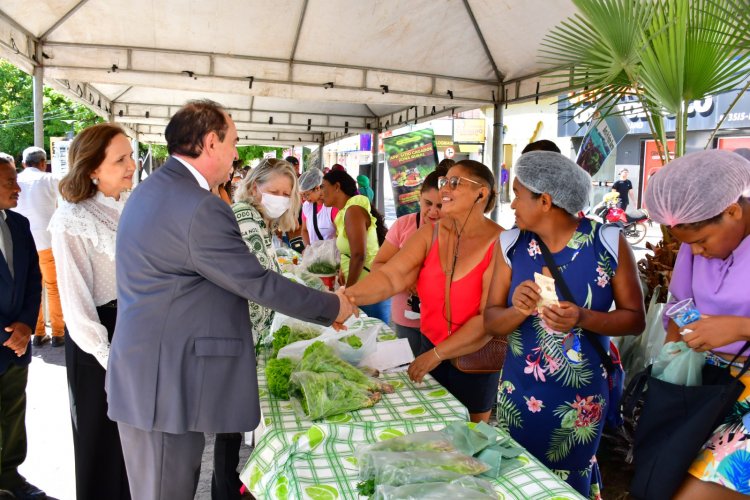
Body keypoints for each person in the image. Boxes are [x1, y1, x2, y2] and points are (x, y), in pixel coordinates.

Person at [106, 100, 355, 500]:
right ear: (209, 142)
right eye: (234, 142)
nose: (237, 154)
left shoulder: (158, 189)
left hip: (154, 374)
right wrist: (333, 306)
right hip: (162, 383)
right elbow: (255, 281)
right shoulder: (198, 206)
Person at [483, 151, 645, 497]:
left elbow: (635, 320)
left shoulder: (607, 242)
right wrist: (518, 310)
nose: (512, 205)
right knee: (518, 474)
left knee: (569, 478)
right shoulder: (510, 245)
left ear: (545, 200)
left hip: (581, 398)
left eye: (518, 195)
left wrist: (582, 317)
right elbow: (492, 321)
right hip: (519, 392)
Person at [345, 160, 503, 423]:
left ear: (481, 193)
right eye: (444, 183)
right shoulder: (428, 234)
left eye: (455, 183)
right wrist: (346, 298)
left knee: (470, 440)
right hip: (431, 350)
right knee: (432, 430)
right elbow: (390, 276)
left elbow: (487, 320)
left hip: (473, 360)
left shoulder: (500, 242)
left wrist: (437, 355)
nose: (444, 190)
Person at [644, 150, 750, 499]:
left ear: (733, 211)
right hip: (709, 386)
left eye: (703, 241)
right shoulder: (694, 247)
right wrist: (673, 358)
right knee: (667, 475)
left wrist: (739, 328)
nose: (698, 253)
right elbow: (681, 305)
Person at [48, 123, 134, 500]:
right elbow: (76, 305)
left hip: (134, 332)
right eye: (121, 159)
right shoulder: (72, 219)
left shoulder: (130, 206)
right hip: (98, 340)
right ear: (93, 169)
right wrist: (110, 357)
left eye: (130, 155)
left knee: (133, 448)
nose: (132, 165)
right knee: (101, 450)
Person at [0, 155, 45, 500]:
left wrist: (27, 325)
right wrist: (7, 333)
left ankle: (10, 477)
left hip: (18, 343)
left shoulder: (18, 223)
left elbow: (33, 278)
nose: (18, 188)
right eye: (9, 183)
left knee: (14, 412)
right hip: (6, 339)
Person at [371, 165, 446, 355]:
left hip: (443, 323)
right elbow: (377, 265)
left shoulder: (456, 231)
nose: (433, 212)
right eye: (428, 203)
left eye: (440, 206)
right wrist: (407, 280)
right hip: (407, 319)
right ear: (419, 197)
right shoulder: (404, 225)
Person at [321, 169, 390, 322]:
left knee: (374, 338)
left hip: (369, 289)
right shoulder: (345, 212)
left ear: (337, 186)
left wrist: (348, 291)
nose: (321, 192)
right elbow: (350, 252)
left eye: (323, 186)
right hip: (362, 288)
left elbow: (359, 255)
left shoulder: (353, 210)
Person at [15, 147, 65, 347]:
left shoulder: (15, 180)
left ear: (24, 164)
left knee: (31, 289)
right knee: (53, 287)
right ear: (44, 163)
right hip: (47, 242)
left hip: (22, 244)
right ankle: (59, 333)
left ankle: (37, 333)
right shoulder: (51, 179)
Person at [298, 168, 338, 246]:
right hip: (314, 254)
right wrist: (308, 248)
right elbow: (304, 230)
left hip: (331, 255)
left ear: (317, 188)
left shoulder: (333, 208)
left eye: (306, 194)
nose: (304, 199)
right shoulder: (307, 206)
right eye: (302, 195)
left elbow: (340, 234)